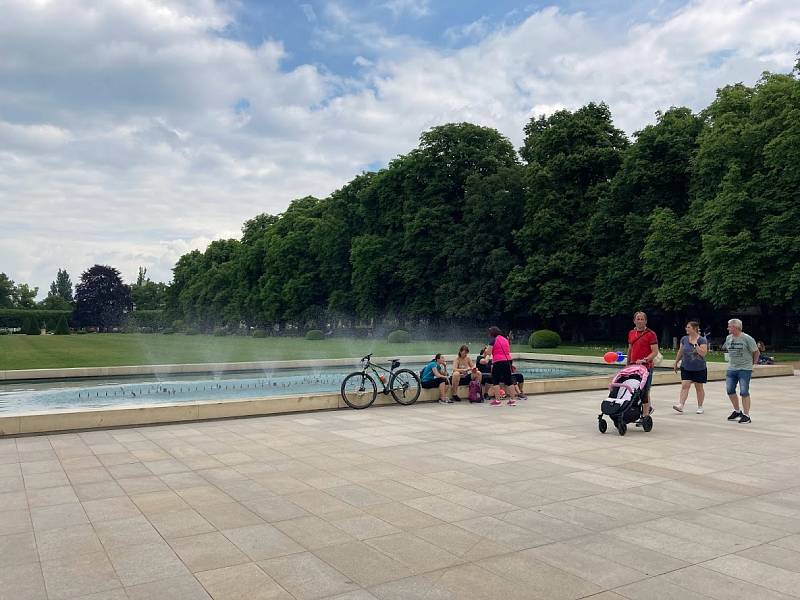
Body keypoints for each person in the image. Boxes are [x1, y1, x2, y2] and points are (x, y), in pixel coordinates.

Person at [722, 319, 759, 423]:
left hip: (744, 369)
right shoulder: (728, 338)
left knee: (744, 391)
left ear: (736, 327)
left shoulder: (747, 338)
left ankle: (746, 416)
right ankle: (737, 411)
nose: (728, 328)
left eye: (729, 326)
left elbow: (756, 352)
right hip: (732, 368)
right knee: (730, 390)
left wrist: (753, 365)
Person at [626, 311, 659, 419]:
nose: (640, 321)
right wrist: (627, 364)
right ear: (634, 321)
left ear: (645, 321)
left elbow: (655, 351)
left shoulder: (651, 334)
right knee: (633, 389)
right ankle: (644, 409)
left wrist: (645, 359)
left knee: (644, 390)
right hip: (633, 366)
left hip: (646, 367)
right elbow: (630, 349)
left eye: (642, 319)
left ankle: (645, 415)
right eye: (638, 319)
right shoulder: (631, 333)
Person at [672, 321, 708, 414]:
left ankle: (700, 406)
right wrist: (676, 362)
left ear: (694, 328)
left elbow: (703, 353)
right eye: (686, 327)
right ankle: (681, 405)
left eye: (688, 327)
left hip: (699, 368)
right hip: (686, 366)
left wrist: (696, 345)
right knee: (685, 385)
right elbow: (681, 351)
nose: (686, 329)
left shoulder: (702, 340)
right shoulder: (684, 339)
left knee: (699, 387)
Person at [487, 326, 517, 406]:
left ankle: (497, 401)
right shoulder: (505, 340)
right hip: (507, 361)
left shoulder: (493, 340)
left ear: (492, 333)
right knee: (509, 381)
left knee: (495, 381)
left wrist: (486, 356)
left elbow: (489, 352)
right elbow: (508, 350)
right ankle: (513, 400)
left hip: (498, 361)